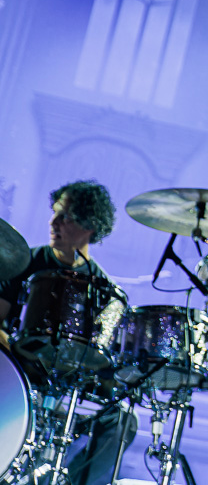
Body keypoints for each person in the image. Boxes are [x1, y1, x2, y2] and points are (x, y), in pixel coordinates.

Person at [0, 180, 136, 485]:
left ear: (90, 226)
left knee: (122, 420)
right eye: (54, 213)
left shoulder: (104, 288)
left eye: (65, 217)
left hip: (65, 387)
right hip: (14, 377)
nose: (54, 222)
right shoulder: (22, 263)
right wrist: (16, 356)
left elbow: (102, 361)